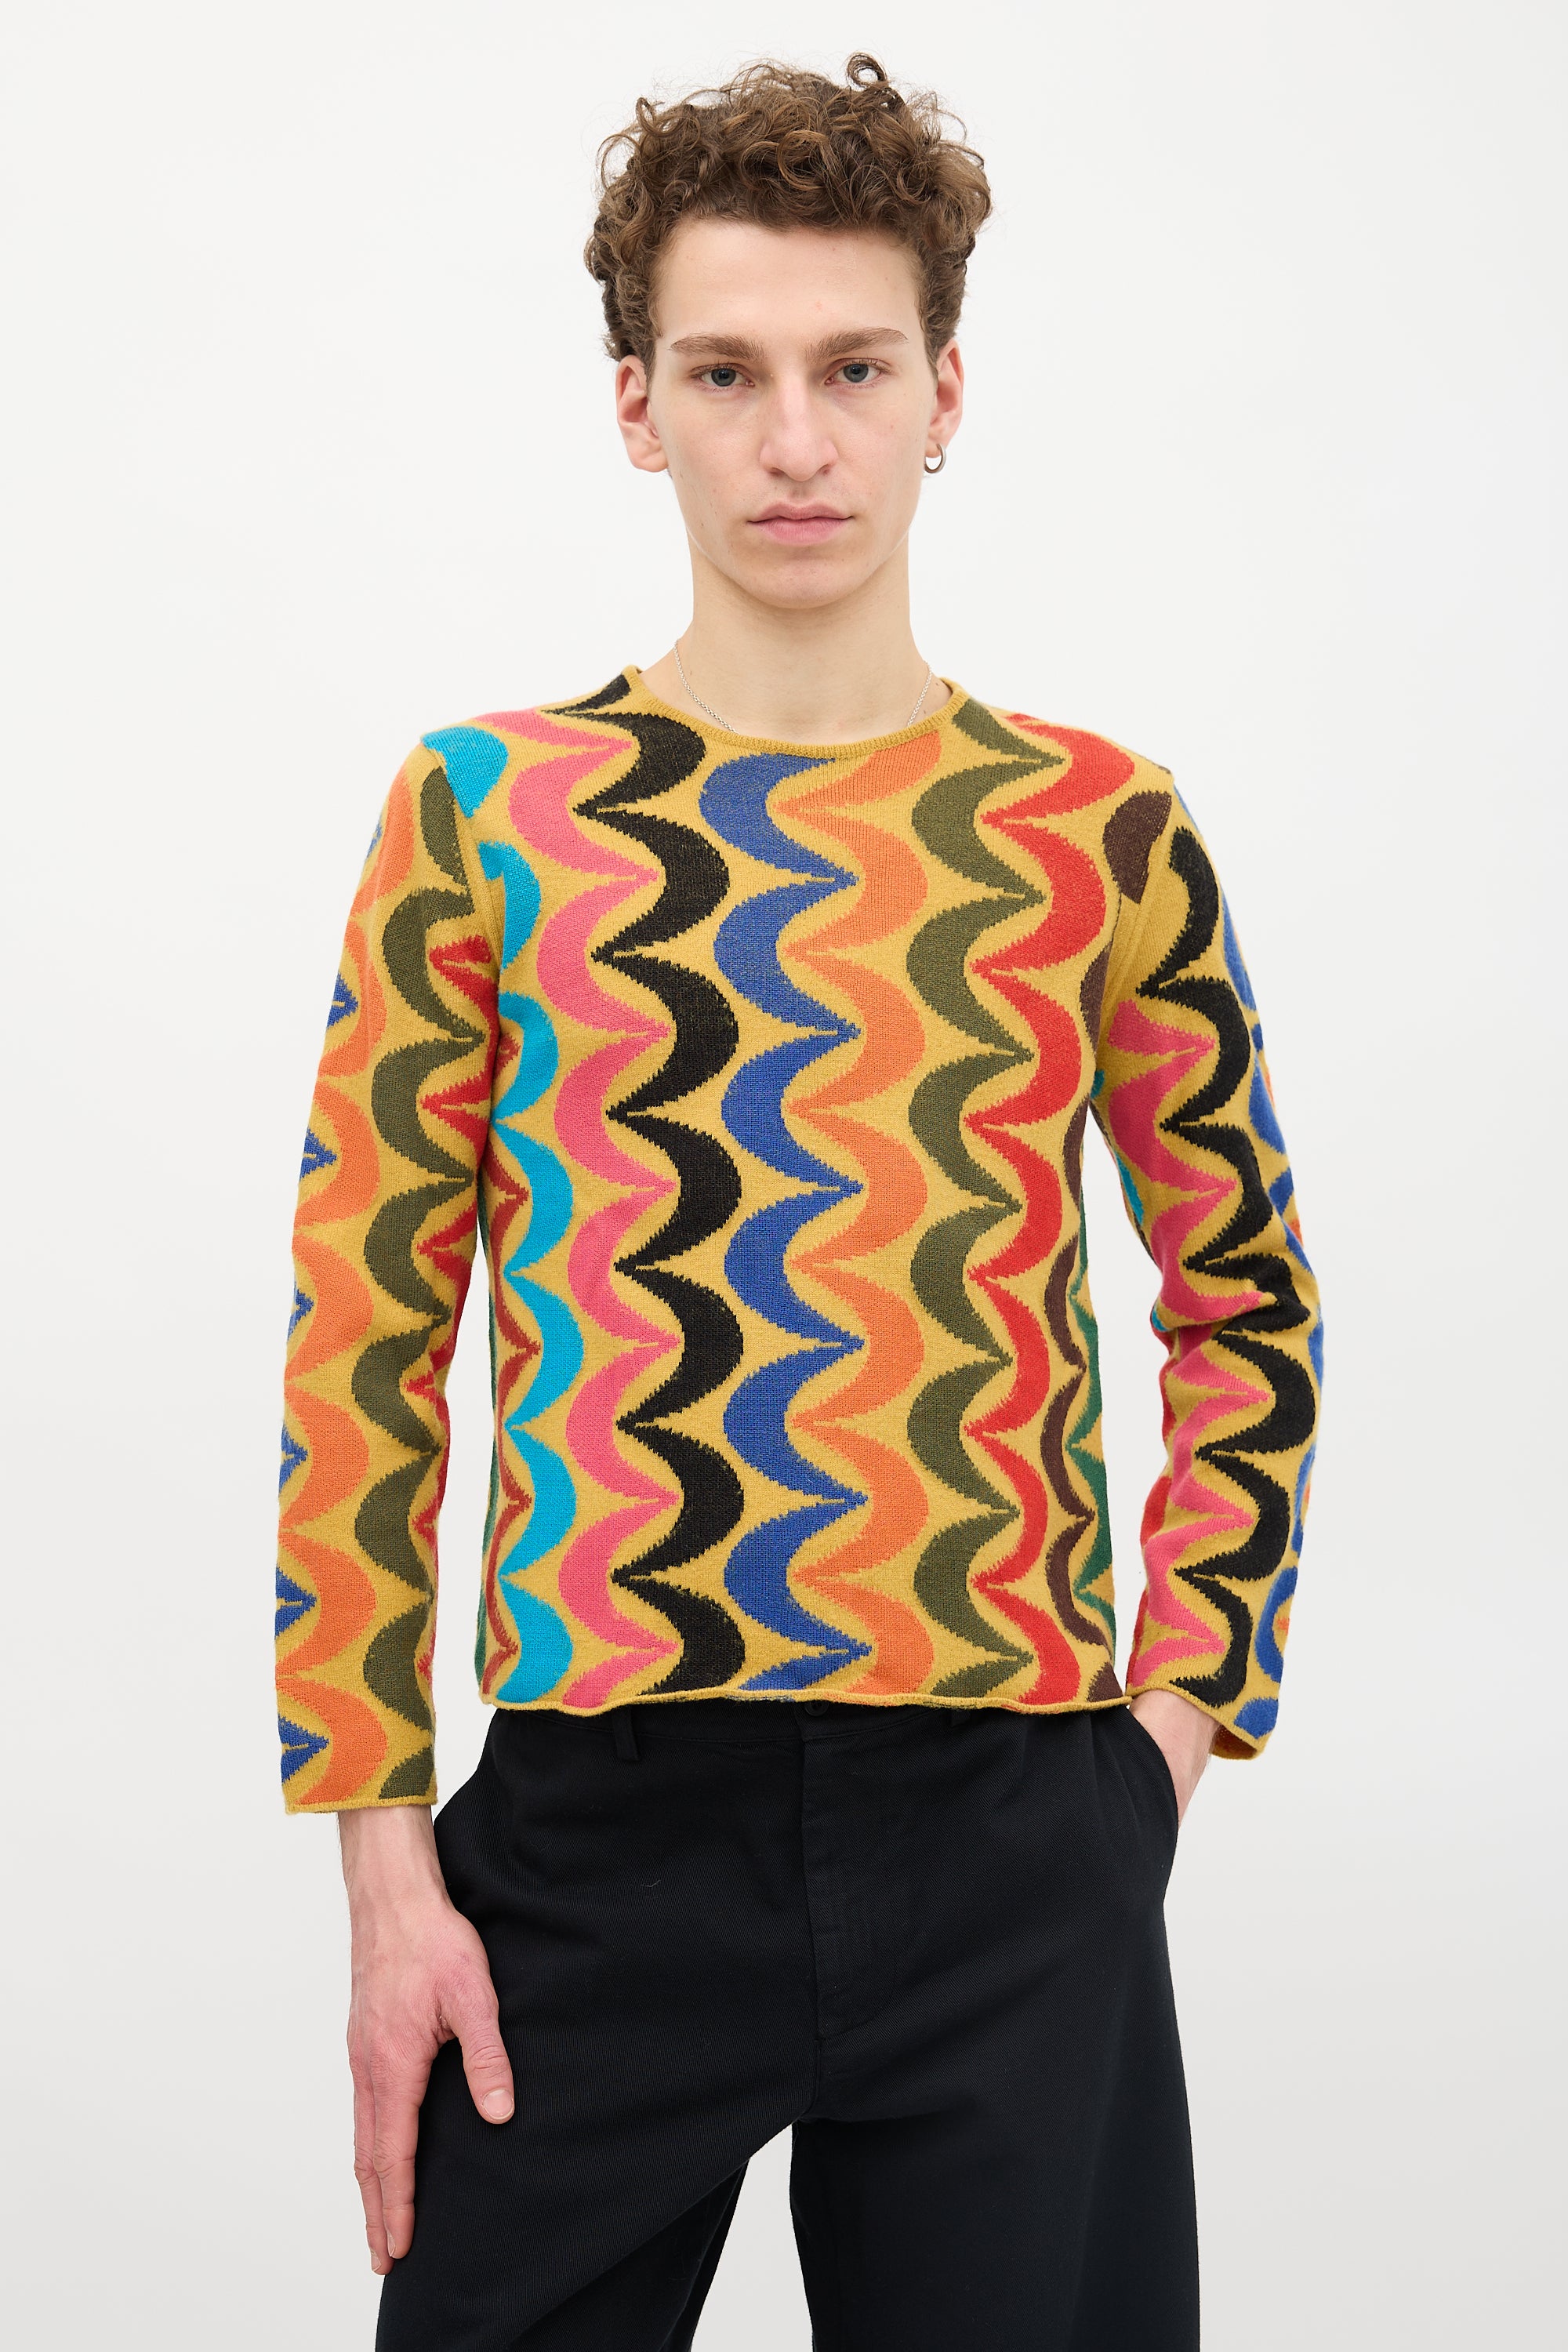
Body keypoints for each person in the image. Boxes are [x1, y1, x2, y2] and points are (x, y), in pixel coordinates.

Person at [275, 53, 1323, 2352]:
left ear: (947, 395)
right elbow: (364, 1343)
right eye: (725, 373)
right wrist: (382, 1860)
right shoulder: (482, 816)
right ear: (634, 409)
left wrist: (1164, 1738)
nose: (795, 441)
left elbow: (1246, 1294)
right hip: (592, 1839)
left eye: (853, 369)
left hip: (1013, 1831)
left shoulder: (1099, 830)